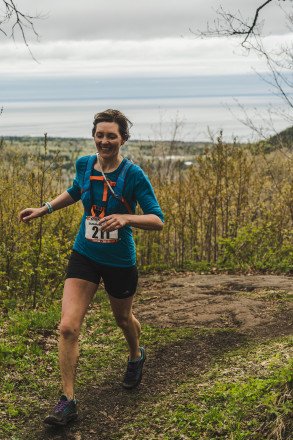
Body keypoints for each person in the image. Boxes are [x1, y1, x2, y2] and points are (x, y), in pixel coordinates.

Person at [18, 109, 164, 426]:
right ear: (94, 136)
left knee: (123, 318)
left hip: (119, 260)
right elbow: (75, 191)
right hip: (84, 253)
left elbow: (157, 219)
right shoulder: (84, 164)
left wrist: (126, 218)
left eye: (111, 135)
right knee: (68, 326)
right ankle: (67, 402)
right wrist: (43, 209)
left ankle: (136, 355)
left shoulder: (134, 175)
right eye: (100, 134)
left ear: (122, 139)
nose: (104, 140)